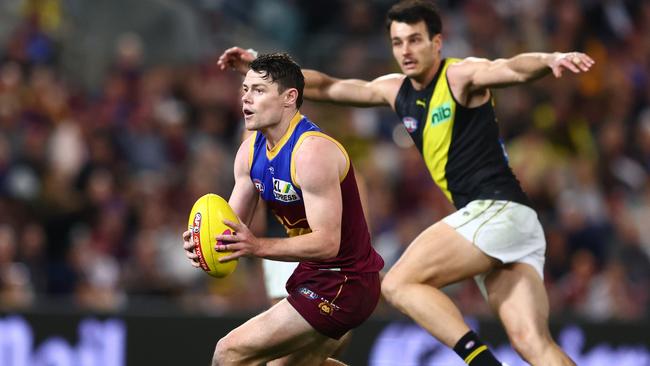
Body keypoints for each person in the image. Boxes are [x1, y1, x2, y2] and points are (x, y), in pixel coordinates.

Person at [217, 1, 595, 365]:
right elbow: (330, 87)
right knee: (533, 344)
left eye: (415, 39)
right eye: (398, 42)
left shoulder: (458, 76)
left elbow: (510, 68)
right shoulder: (395, 89)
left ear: (437, 42)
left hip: (497, 210)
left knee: (398, 283)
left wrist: (548, 60)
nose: (406, 50)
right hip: (510, 225)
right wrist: (259, 65)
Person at [183, 52, 384, 366]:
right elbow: (230, 229)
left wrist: (256, 245)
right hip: (315, 275)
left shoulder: (312, 152)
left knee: (229, 352)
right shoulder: (250, 152)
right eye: (245, 89)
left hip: (343, 281)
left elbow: (327, 243)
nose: (246, 98)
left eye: (258, 91)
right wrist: (204, 243)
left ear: (290, 98)